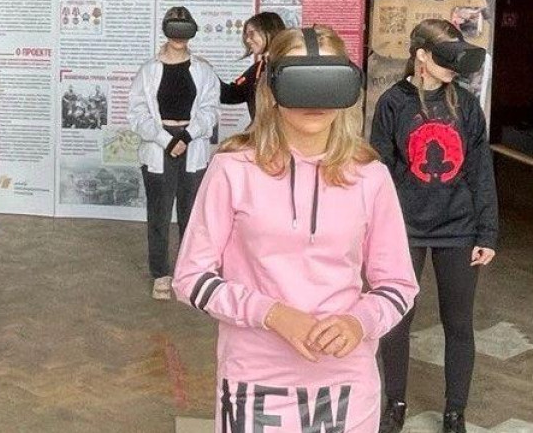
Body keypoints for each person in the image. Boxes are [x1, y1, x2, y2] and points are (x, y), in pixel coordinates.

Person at [172, 26, 419, 433]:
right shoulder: (233, 169)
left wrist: (359, 322)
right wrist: (272, 314)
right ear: (272, 88)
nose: (315, 99)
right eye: (300, 80)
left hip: (347, 382)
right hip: (255, 379)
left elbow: (399, 284)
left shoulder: (369, 175)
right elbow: (190, 278)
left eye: (328, 81)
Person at [372, 19, 499, 433]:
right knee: (397, 320)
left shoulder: (466, 104)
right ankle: (395, 404)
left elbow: (481, 171)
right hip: (404, 229)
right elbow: (379, 173)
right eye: (447, 60)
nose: (454, 69)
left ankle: (454, 412)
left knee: (458, 323)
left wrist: (487, 233)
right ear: (422, 56)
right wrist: (374, 231)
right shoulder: (393, 103)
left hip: (459, 229)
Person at [128, 6, 219, 300]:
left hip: (192, 145)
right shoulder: (148, 71)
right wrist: (166, 140)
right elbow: (138, 113)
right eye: (174, 27)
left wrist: (187, 136)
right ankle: (161, 274)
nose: (179, 35)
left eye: (184, 28)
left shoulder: (203, 70)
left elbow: (210, 110)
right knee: (159, 214)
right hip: (159, 147)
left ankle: (188, 272)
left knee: (191, 215)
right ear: (166, 30)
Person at [220, 11, 286, 122]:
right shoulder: (258, 68)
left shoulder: (288, 69)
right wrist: (206, 72)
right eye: (246, 35)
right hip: (262, 131)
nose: (247, 40)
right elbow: (232, 94)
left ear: (269, 32)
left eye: (252, 34)